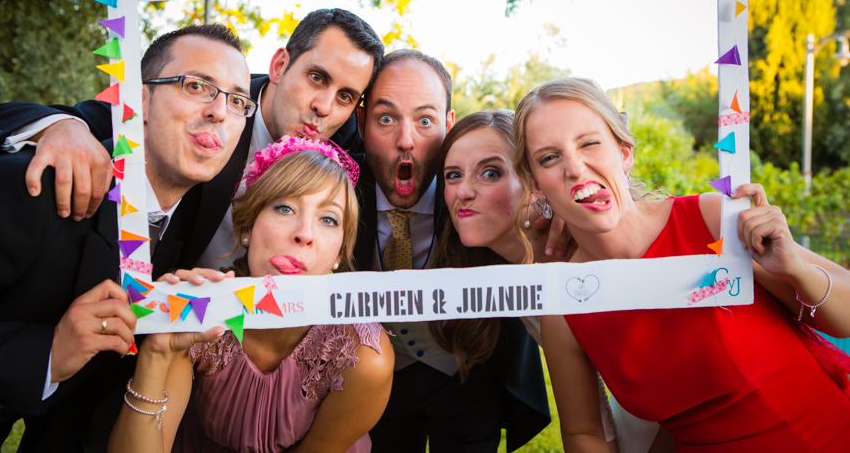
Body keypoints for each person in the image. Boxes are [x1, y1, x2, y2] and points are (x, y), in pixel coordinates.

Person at [0, 24, 252, 451]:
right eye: (197, 85)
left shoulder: (184, 225)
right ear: (140, 100)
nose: (220, 111)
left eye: (237, 100)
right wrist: (48, 356)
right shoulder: (27, 187)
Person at [514, 77, 850, 451]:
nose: (574, 168)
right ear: (536, 184)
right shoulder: (565, 303)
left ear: (624, 153)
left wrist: (794, 269)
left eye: (589, 143)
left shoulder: (711, 220)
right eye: (549, 157)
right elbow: (583, 433)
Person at [0, 8, 384, 270]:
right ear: (280, 64)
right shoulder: (213, 105)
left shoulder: (343, 153)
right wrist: (64, 127)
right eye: (317, 78)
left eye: (346, 96)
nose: (325, 107)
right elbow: (4, 121)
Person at [108, 135, 394, 453]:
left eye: (328, 219)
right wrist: (158, 353)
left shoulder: (365, 356)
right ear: (247, 228)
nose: (304, 233)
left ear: (340, 252)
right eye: (285, 208)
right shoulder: (199, 313)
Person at [432, 109, 672, 453]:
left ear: (535, 184)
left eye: (490, 172)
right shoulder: (517, 276)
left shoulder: (594, 248)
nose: (463, 192)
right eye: (453, 175)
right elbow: (591, 419)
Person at [353, 51, 551, 452]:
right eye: (386, 118)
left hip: (469, 372)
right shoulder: (339, 187)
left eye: (425, 120)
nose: (406, 139)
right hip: (375, 376)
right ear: (362, 124)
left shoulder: (473, 195)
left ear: (447, 124)